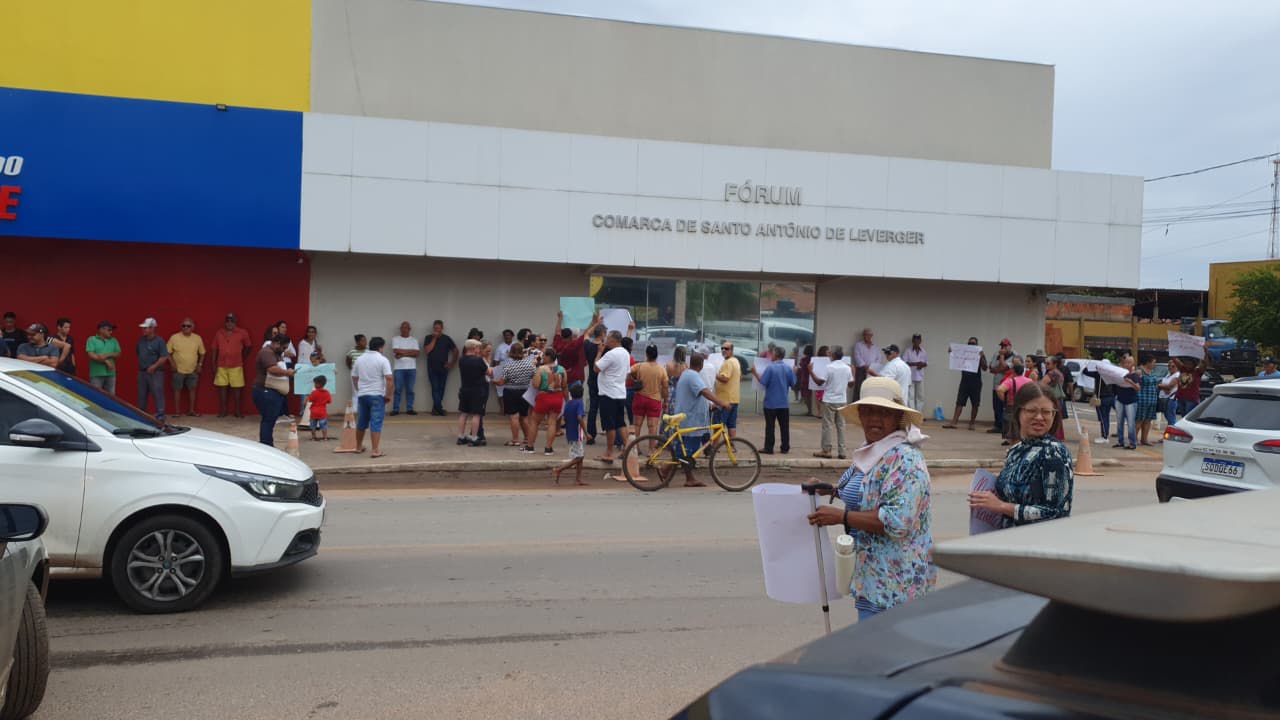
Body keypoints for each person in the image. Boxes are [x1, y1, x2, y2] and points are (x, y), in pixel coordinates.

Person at [807, 377, 935, 621]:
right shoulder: (874, 450)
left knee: (886, 656)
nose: (874, 419)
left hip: (895, 586)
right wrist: (831, 489)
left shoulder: (905, 459)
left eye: (883, 412)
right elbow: (866, 492)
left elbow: (896, 522)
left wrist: (841, 517)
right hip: (872, 579)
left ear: (897, 417)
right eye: (868, 411)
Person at [969, 381, 1074, 527]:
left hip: (1035, 544)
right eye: (1032, 411)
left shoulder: (1053, 453)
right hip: (1008, 540)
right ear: (1018, 412)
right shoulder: (1016, 450)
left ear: (1054, 415)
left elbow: (1055, 512)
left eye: (1046, 412)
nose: (1039, 417)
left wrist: (1001, 506)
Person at [672, 353, 730, 487]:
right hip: (690, 419)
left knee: (687, 451)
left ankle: (682, 475)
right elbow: (705, 392)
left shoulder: (688, 374)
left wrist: (711, 406)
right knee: (688, 451)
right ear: (702, 365)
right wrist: (721, 403)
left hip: (691, 417)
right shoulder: (692, 376)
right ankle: (681, 475)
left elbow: (697, 395)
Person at [351, 336, 394, 457]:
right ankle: (375, 450)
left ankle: (358, 447)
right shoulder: (382, 360)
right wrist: (388, 395)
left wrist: (359, 389)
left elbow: (354, 377)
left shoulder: (360, 359)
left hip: (363, 395)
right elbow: (389, 379)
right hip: (377, 395)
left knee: (362, 421)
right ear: (381, 347)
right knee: (376, 422)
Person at [593, 329, 631, 463]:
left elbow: (596, 368)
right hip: (620, 392)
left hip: (608, 393)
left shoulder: (611, 354)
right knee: (620, 422)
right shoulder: (625, 353)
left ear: (614, 340)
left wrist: (599, 352)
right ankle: (627, 448)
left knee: (610, 425)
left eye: (608, 338)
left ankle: (609, 452)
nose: (606, 340)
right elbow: (627, 373)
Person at [252, 334, 295, 446]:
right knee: (268, 420)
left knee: (269, 420)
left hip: (270, 391)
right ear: (277, 343)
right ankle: (267, 445)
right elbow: (272, 369)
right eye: (284, 347)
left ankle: (267, 444)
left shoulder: (276, 353)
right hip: (265, 391)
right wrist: (287, 372)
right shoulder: (267, 353)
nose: (284, 350)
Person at [811, 346, 853, 459]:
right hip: (842, 400)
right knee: (841, 426)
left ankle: (826, 450)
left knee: (827, 425)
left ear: (833, 355)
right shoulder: (847, 368)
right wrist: (853, 371)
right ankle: (842, 451)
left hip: (829, 400)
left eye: (830, 353)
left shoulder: (829, 367)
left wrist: (811, 371)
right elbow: (851, 384)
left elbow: (820, 383)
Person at [753, 346, 796, 454]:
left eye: (772, 354)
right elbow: (793, 383)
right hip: (784, 403)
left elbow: (763, 382)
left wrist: (755, 372)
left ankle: (769, 448)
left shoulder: (770, 368)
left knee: (770, 427)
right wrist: (794, 372)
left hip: (770, 403)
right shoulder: (788, 368)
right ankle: (785, 447)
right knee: (784, 427)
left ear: (775, 355)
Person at [524, 348, 566, 455]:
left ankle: (530, 446)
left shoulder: (541, 369)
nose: (543, 358)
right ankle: (548, 448)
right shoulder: (562, 369)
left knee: (534, 422)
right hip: (557, 396)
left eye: (544, 356)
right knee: (552, 423)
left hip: (544, 396)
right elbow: (564, 386)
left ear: (548, 357)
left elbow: (536, 385)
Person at [494, 341, 535, 446]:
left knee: (514, 416)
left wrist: (493, 381)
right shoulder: (529, 364)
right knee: (524, 416)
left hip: (511, 391)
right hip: (525, 391)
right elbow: (534, 377)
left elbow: (502, 382)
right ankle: (527, 438)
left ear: (511, 352)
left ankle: (515, 439)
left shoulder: (508, 364)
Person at [212, 313, 252, 418]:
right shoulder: (219, 333)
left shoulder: (242, 332)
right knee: (222, 389)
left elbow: (248, 346)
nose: (229, 323)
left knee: (237, 389)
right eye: (228, 321)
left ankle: (238, 411)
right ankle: (223, 411)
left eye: (232, 321)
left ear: (235, 322)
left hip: (236, 365)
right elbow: (214, 349)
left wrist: (242, 357)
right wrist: (213, 363)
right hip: (221, 365)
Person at [943, 337, 987, 431]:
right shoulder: (963, 353)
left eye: (973, 344)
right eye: (970, 343)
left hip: (976, 382)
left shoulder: (980, 354)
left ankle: (972, 423)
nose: (971, 345)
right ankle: (954, 422)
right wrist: (952, 352)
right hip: (964, 381)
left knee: (975, 404)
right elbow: (955, 357)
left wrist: (981, 356)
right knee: (959, 402)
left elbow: (985, 368)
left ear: (977, 345)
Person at [629, 343, 669, 444]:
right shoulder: (661, 370)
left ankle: (635, 448)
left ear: (646, 354)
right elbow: (665, 387)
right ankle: (651, 450)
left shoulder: (639, 366)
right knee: (652, 426)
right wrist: (665, 400)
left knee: (637, 425)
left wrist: (634, 379)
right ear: (657, 355)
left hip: (640, 398)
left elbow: (628, 372)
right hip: (654, 400)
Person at [455, 338, 492, 447]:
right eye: (478, 348)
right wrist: (488, 360)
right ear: (473, 348)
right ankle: (474, 437)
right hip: (477, 390)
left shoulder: (462, 360)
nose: (479, 350)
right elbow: (489, 372)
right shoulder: (479, 360)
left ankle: (461, 436)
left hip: (465, 389)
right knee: (476, 414)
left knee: (464, 413)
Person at [167, 318, 206, 417]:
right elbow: (167, 352)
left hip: (192, 369)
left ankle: (191, 411)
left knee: (192, 389)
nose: (186, 328)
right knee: (177, 390)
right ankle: (177, 412)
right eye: (183, 326)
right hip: (178, 369)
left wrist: (200, 365)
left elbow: (202, 353)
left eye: (188, 326)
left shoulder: (197, 338)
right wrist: (172, 364)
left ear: (192, 327)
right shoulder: (174, 337)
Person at [553, 383, 589, 486]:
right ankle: (559, 469)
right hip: (577, 433)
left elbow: (565, 418)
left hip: (570, 432)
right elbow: (579, 417)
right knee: (579, 457)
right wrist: (586, 433)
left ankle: (578, 479)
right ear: (582, 394)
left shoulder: (568, 403)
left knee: (579, 456)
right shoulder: (579, 403)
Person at [136, 318, 170, 420]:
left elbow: (164, 356)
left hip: (156, 372)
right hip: (142, 372)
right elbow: (138, 353)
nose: (143, 330)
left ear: (152, 328)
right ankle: (142, 414)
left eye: (146, 328)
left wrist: (154, 366)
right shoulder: (141, 340)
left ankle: (160, 415)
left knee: (158, 393)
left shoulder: (159, 341)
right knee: (142, 394)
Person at [553, 311, 597, 389]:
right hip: (575, 378)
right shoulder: (574, 345)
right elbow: (587, 333)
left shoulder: (557, 344)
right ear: (571, 337)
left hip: (561, 377)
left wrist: (560, 319)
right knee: (576, 399)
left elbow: (557, 332)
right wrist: (594, 323)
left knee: (563, 399)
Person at [423, 320, 458, 416]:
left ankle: (435, 409)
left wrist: (452, 363)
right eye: (435, 328)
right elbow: (427, 351)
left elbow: (455, 351)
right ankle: (440, 409)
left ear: (442, 328)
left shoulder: (447, 339)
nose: (436, 330)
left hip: (444, 367)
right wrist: (434, 339)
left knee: (441, 388)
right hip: (432, 367)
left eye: (438, 328)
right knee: (435, 388)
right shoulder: (428, 338)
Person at [997, 360, 1033, 446]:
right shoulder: (1029, 381)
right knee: (1023, 422)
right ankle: (1023, 438)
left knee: (1011, 423)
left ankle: (1011, 440)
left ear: (1013, 371)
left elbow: (1000, 389)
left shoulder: (1010, 381)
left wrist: (1004, 400)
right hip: (1025, 405)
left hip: (1012, 404)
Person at [390, 321, 420, 416]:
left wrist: (402, 353)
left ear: (409, 329)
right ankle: (395, 409)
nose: (404, 329)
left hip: (411, 368)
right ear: (400, 329)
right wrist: (410, 352)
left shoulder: (414, 340)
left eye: (406, 327)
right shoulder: (395, 339)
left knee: (410, 390)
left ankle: (409, 409)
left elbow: (417, 353)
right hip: (399, 368)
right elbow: (395, 350)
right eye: (402, 327)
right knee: (398, 389)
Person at [583, 325, 606, 444]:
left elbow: (586, 334)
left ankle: (591, 434)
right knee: (606, 407)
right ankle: (608, 430)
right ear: (602, 334)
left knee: (593, 407)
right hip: (604, 381)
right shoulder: (605, 348)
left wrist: (596, 323)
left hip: (592, 379)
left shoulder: (588, 345)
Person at [1113, 355, 1141, 450]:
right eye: (1125, 362)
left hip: (1131, 401)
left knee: (1130, 423)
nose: (1127, 364)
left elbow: (1138, 388)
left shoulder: (1135, 375)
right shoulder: (1120, 374)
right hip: (1120, 399)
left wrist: (1130, 382)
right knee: (1119, 421)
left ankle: (1132, 443)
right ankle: (1120, 441)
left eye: (1129, 362)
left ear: (1133, 364)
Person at [714, 341, 742, 438]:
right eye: (722, 348)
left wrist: (714, 374)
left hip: (725, 400)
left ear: (731, 350)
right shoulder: (736, 361)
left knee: (718, 425)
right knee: (731, 425)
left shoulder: (728, 362)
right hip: (734, 399)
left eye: (726, 349)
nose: (723, 350)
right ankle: (732, 446)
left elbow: (725, 378)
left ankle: (714, 447)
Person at [85, 321, 122, 392]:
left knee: (111, 397)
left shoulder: (113, 340)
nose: (111, 332)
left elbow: (118, 353)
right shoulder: (92, 339)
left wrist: (108, 354)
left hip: (111, 373)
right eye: (109, 330)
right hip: (96, 373)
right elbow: (91, 355)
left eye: (111, 330)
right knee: (96, 396)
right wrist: (105, 361)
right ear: (101, 330)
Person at [1135, 354, 1162, 446]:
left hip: (1152, 400)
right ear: (1148, 362)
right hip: (1141, 399)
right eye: (1154, 362)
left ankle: (1144, 439)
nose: (1155, 364)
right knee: (1139, 420)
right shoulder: (1139, 371)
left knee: (1148, 420)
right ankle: (1134, 439)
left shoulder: (1152, 372)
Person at [988, 339, 1014, 433]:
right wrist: (1000, 369)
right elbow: (991, 367)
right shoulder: (996, 354)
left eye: (1005, 346)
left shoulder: (1015, 356)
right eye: (1001, 346)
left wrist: (1002, 356)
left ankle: (1005, 427)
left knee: (1006, 407)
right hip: (996, 385)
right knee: (996, 406)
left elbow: (1005, 367)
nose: (1002, 348)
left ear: (1010, 346)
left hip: (1007, 386)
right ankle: (997, 426)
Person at [1039, 355, 1067, 441]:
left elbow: (1042, 384)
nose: (1046, 365)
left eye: (1048, 363)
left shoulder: (1051, 373)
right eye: (1045, 363)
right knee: (1057, 417)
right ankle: (1058, 436)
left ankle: (1053, 435)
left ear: (1054, 364)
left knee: (1051, 417)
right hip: (1059, 398)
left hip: (1052, 398)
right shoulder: (1059, 373)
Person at [876, 344, 912, 408]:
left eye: (889, 353)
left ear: (896, 353)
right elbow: (908, 384)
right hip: (903, 401)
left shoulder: (891, 365)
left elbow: (883, 381)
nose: (886, 355)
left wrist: (872, 373)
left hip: (892, 402)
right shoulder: (906, 366)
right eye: (886, 353)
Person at [903, 334, 927, 415]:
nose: (917, 341)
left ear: (920, 341)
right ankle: (912, 414)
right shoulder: (908, 351)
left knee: (920, 396)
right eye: (915, 340)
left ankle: (918, 414)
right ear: (913, 341)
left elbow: (926, 363)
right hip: (910, 376)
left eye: (918, 340)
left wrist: (922, 365)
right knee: (911, 396)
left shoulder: (923, 351)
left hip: (920, 376)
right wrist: (916, 363)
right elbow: (904, 363)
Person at [852, 328, 879, 399]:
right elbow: (857, 356)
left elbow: (878, 358)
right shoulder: (858, 345)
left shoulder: (875, 347)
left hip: (872, 371)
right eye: (865, 335)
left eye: (868, 335)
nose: (866, 336)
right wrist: (865, 366)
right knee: (859, 388)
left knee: (870, 388)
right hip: (861, 370)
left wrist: (873, 367)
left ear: (871, 336)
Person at [663, 346, 688, 417]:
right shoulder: (685, 366)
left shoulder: (668, 365)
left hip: (670, 392)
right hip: (681, 392)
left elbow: (665, 381)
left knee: (668, 416)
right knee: (679, 415)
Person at [307, 375, 332, 441]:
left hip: (314, 412)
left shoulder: (314, 393)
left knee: (313, 425)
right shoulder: (327, 393)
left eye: (315, 383)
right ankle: (325, 437)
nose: (314, 384)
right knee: (323, 425)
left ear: (318, 384)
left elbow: (310, 400)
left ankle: (313, 437)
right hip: (322, 412)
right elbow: (329, 401)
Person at [1158, 360, 1180, 429]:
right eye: (1169, 366)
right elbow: (1166, 387)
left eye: (1173, 366)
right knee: (1168, 417)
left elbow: (1169, 387)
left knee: (1171, 418)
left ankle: (1173, 433)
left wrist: (1160, 386)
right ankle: (1171, 433)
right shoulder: (1168, 375)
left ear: (1177, 367)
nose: (1170, 367)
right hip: (1165, 398)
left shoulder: (1177, 375)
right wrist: (1163, 387)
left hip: (1171, 399)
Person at [796, 344, 815, 416]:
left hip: (804, 378)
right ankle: (811, 410)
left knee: (805, 395)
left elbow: (801, 367)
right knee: (810, 396)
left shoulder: (803, 360)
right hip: (811, 378)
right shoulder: (813, 359)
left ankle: (809, 410)